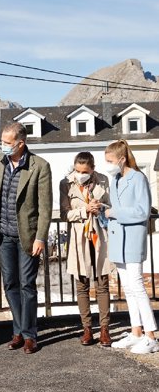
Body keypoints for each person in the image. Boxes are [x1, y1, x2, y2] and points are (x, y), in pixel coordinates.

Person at [0, 122, 52, 354]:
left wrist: (41, 237)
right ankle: (18, 331)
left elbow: (45, 207)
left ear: (21, 143)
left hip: (27, 236)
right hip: (3, 235)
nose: (3, 146)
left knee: (27, 285)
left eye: (7, 142)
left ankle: (30, 335)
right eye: (2, 141)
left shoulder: (39, 166)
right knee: (10, 284)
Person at [101, 140, 157, 353]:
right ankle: (136, 332)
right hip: (118, 240)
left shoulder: (138, 178)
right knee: (128, 288)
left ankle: (151, 336)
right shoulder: (115, 179)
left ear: (122, 159)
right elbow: (116, 208)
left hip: (132, 239)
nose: (108, 164)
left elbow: (143, 211)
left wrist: (114, 212)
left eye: (110, 160)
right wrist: (105, 210)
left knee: (137, 286)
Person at [60, 152, 112, 346]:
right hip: (79, 237)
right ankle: (87, 329)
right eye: (78, 171)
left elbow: (111, 206)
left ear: (92, 169)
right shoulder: (66, 183)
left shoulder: (103, 180)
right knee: (82, 285)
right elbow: (65, 214)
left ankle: (105, 329)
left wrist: (100, 207)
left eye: (85, 171)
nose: (81, 174)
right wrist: (84, 210)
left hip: (100, 236)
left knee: (102, 284)